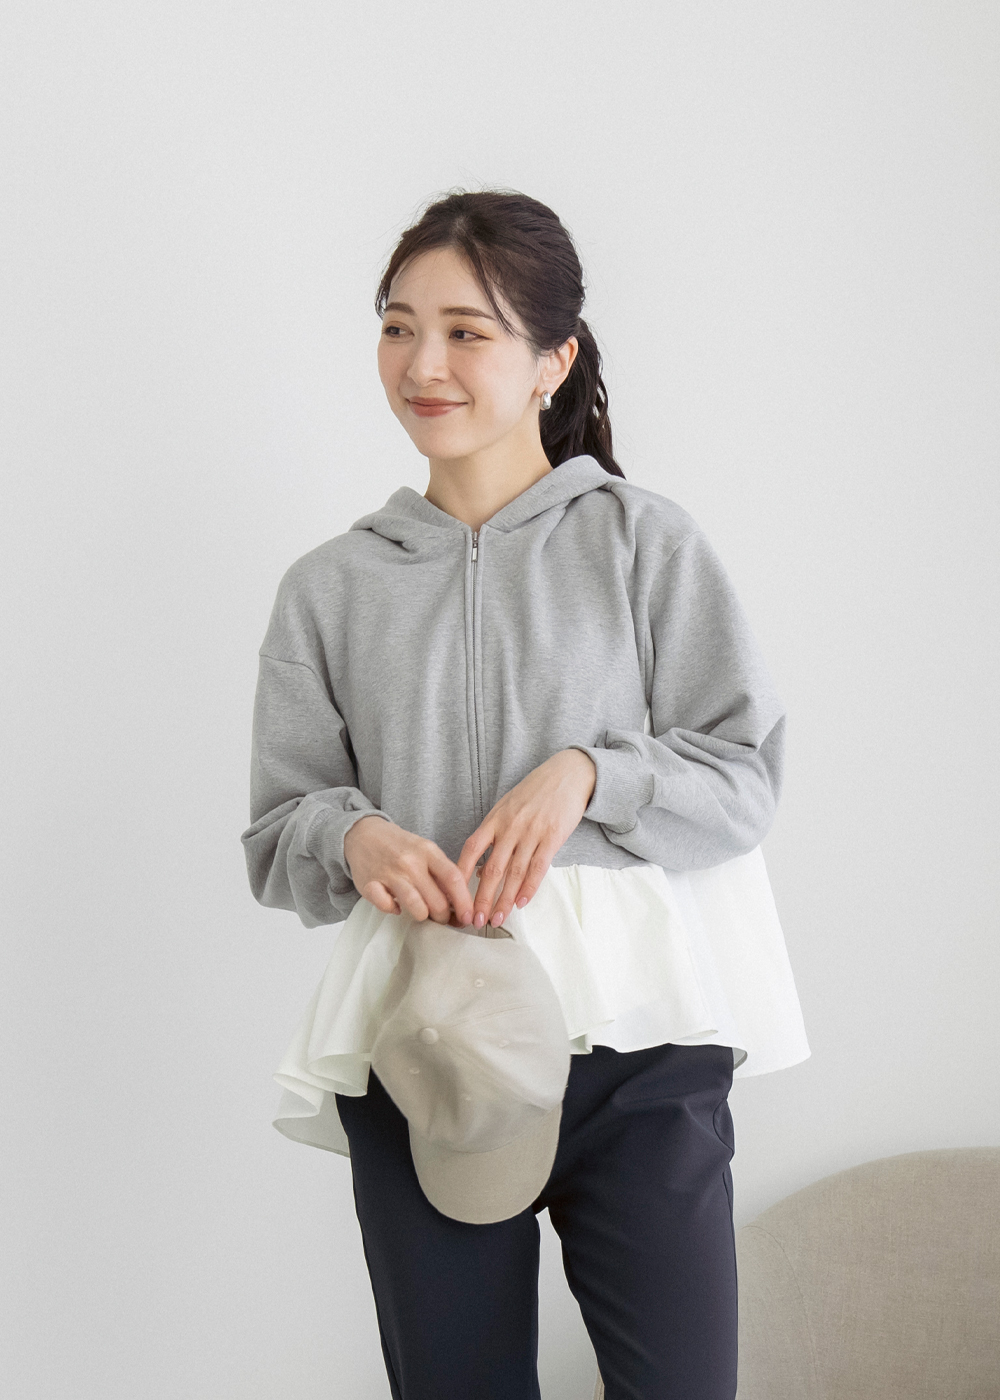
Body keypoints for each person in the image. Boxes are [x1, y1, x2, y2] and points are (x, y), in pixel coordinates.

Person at [241, 189, 809, 1400]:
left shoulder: (643, 543)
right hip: (427, 1043)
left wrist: (592, 771)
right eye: (399, 327)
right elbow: (278, 830)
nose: (422, 364)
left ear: (553, 359)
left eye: (466, 331)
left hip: (640, 1042)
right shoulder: (329, 587)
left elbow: (743, 773)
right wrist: (355, 834)